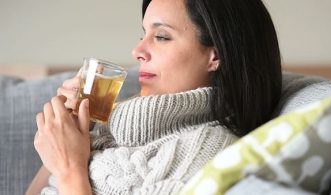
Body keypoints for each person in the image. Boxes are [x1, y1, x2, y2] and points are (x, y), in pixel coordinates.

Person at [26, 0, 281, 194]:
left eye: (161, 36)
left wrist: (71, 170)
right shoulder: (109, 129)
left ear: (215, 56)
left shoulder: (207, 152)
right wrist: (66, 136)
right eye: (143, 35)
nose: (137, 50)